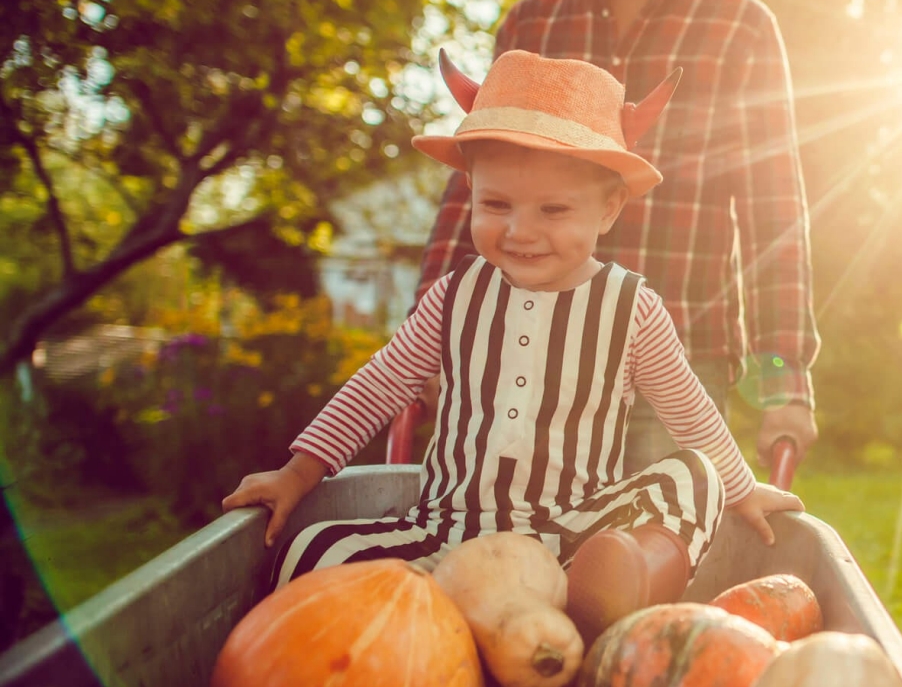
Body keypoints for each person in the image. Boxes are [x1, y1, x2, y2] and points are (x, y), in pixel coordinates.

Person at [221, 50, 804, 643]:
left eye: (554, 209)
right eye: (497, 205)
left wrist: (741, 486)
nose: (520, 231)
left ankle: (613, 596)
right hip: (443, 534)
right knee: (312, 548)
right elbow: (380, 385)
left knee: (696, 475)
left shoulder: (631, 309)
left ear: (608, 209)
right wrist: (298, 474)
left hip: (572, 539)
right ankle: (421, 628)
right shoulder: (454, 297)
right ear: (471, 188)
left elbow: (689, 409)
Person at [416, 0, 820, 473]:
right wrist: (428, 335)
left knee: (663, 536)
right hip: (526, 339)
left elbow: (774, 203)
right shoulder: (534, 22)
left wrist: (782, 377)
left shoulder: (739, 26)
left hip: (677, 350)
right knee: (509, 533)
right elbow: (477, 176)